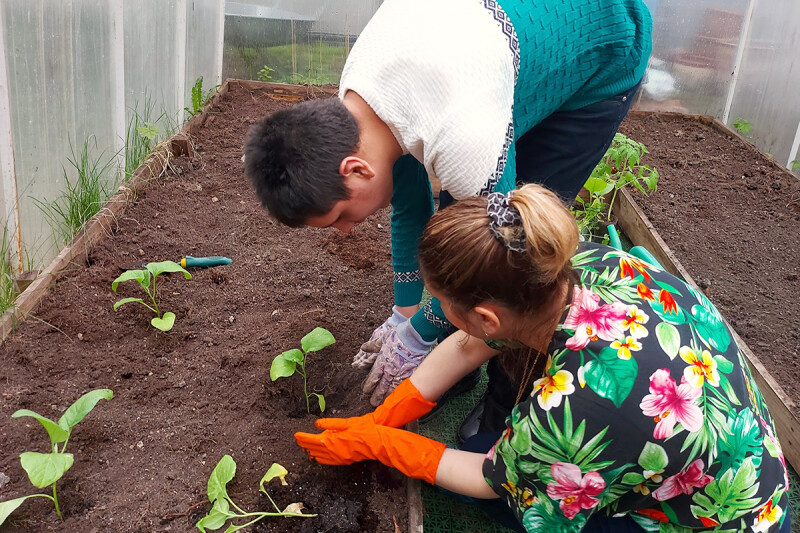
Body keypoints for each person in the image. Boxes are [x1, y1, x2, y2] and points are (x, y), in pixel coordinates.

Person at [295, 184, 791, 533]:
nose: (437, 312)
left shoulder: (576, 412)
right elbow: (472, 343)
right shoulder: (586, 266)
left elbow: (492, 480)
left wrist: (383, 444)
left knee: (496, 485)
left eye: (440, 303)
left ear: (487, 315)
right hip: (746, 462)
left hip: (716, 520)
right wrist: (389, 413)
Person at [244, 0, 654, 420]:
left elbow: (496, 260)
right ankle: (450, 352)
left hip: (601, 45)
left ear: (354, 169)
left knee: (520, 254)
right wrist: (405, 312)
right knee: (463, 235)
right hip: (492, 64)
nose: (346, 230)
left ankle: (503, 406)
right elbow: (408, 201)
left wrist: (422, 331)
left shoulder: (466, 145)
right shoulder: (359, 105)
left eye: (340, 216)